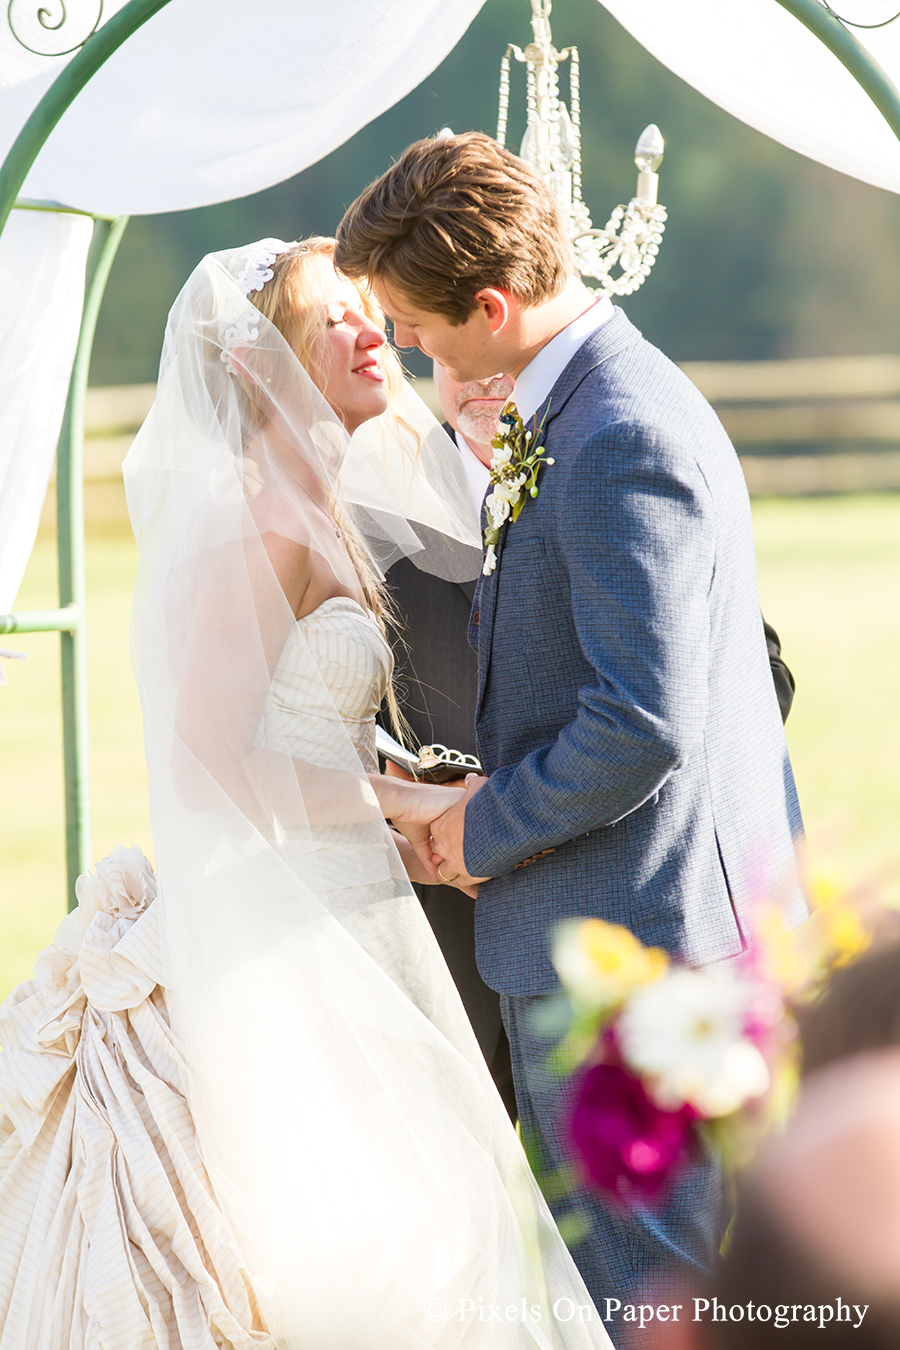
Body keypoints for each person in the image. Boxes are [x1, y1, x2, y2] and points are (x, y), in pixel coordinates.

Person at [0, 238, 613, 1348]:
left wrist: (422, 788)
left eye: (366, 311)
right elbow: (216, 766)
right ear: (252, 366)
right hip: (278, 929)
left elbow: (310, 725)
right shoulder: (258, 522)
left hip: (345, 908)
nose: (372, 331)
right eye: (332, 319)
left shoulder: (322, 507)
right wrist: (410, 808)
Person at [335, 132, 808, 1332]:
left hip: (631, 951)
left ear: (492, 306)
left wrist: (477, 830)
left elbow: (641, 721)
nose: (410, 353)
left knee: (655, 1303)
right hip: (643, 931)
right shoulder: (597, 403)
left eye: (418, 328)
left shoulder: (614, 439)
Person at [384, 361, 517, 1117]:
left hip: (606, 913)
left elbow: (757, 672)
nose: (482, 380)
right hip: (424, 929)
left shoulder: (610, 463)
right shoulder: (366, 488)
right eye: (455, 358)